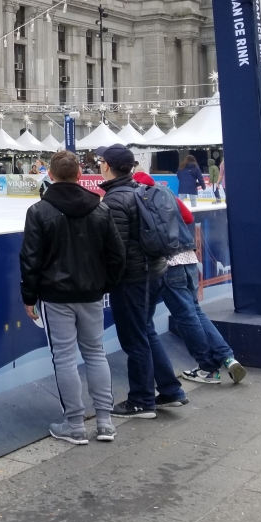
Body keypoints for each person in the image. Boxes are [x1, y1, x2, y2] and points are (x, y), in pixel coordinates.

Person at [21, 150, 125, 444]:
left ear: (50, 176)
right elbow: (117, 256)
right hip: (90, 294)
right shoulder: (100, 209)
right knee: (95, 352)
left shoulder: (39, 212)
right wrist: (103, 285)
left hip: (56, 297)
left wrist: (29, 296)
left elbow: (30, 260)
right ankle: (104, 421)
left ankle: (75, 423)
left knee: (65, 358)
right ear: (80, 175)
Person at [96, 144, 187, 418]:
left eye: (101, 161)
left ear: (107, 166)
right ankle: (171, 390)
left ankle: (141, 400)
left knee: (134, 339)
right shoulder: (139, 191)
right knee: (146, 331)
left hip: (134, 279)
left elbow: (117, 250)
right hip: (154, 271)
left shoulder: (114, 200)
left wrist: (107, 281)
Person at [134, 172, 246, 386]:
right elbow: (187, 217)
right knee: (195, 311)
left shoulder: (138, 196)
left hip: (167, 261)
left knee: (185, 317)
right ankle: (227, 356)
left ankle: (208, 367)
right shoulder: (164, 192)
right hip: (188, 257)